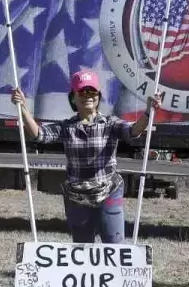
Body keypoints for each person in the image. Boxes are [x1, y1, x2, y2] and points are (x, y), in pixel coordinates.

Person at [10, 69, 159, 244]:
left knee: (114, 243)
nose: (88, 96)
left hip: (108, 191)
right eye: (82, 92)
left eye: (92, 92)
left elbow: (133, 131)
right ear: (73, 97)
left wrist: (148, 113)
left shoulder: (110, 123)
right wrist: (23, 110)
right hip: (77, 196)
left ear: (98, 96)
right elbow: (39, 134)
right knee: (82, 246)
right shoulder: (67, 127)